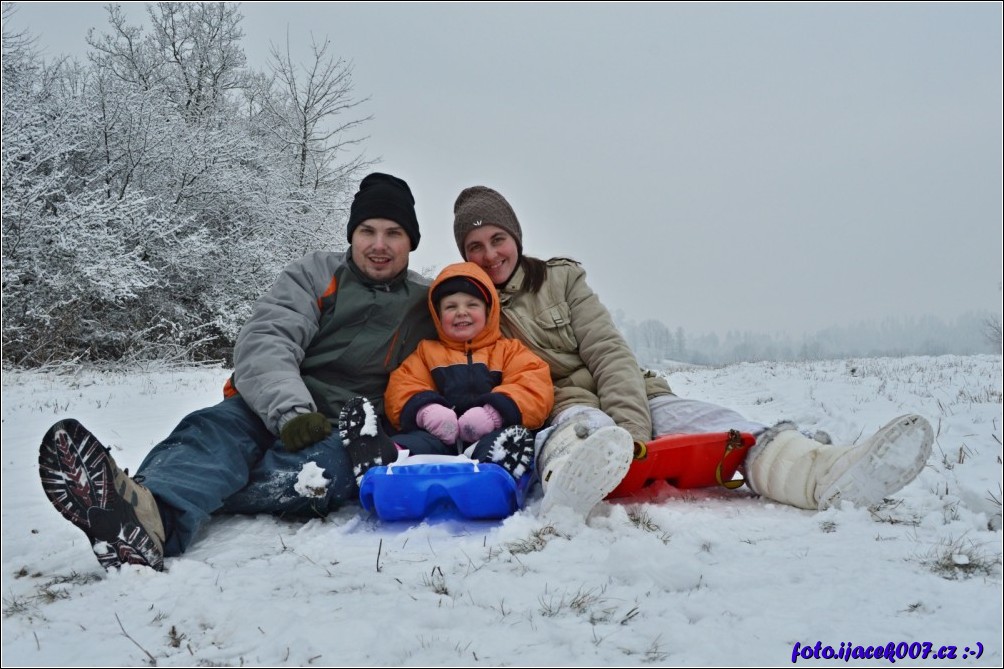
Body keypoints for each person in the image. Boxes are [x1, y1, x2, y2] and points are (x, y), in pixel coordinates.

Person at [451, 185, 935, 517]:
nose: (491, 254)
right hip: (565, 406)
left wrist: (635, 429)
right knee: (581, 434)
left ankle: (823, 472)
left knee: (723, 426)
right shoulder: (466, 309)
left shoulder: (561, 279)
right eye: (476, 246)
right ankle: (574, 482)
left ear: (515, 237)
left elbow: (609, 353)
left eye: (498, 239)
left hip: (636, 395)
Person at [37, 172, 437, 571]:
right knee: (212, 432)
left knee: (320, 474)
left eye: (394, 233)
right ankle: (148, 517)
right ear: (352, 234)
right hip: (270, 404)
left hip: (343, 429)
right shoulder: (316, 272)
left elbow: (475, 338)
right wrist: (291, 413)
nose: (379, 245)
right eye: (368, 230)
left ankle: (163, 503)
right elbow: (268, 339)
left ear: (411, 242)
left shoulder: (427, 302)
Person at [338, 261, 555, 484]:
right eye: (451, 307)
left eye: (472, 305)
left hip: (488, 435)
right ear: (438, 316)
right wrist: (427, 411)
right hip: (438, 440)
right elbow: (403, 385)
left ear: (489, 311)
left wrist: (493, 414)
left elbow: (533, 383)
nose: (461, 312)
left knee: (499, 442)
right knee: (417, 442)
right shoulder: (427, 352)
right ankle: (387, 456)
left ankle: (500, 465)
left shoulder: (508, 350)